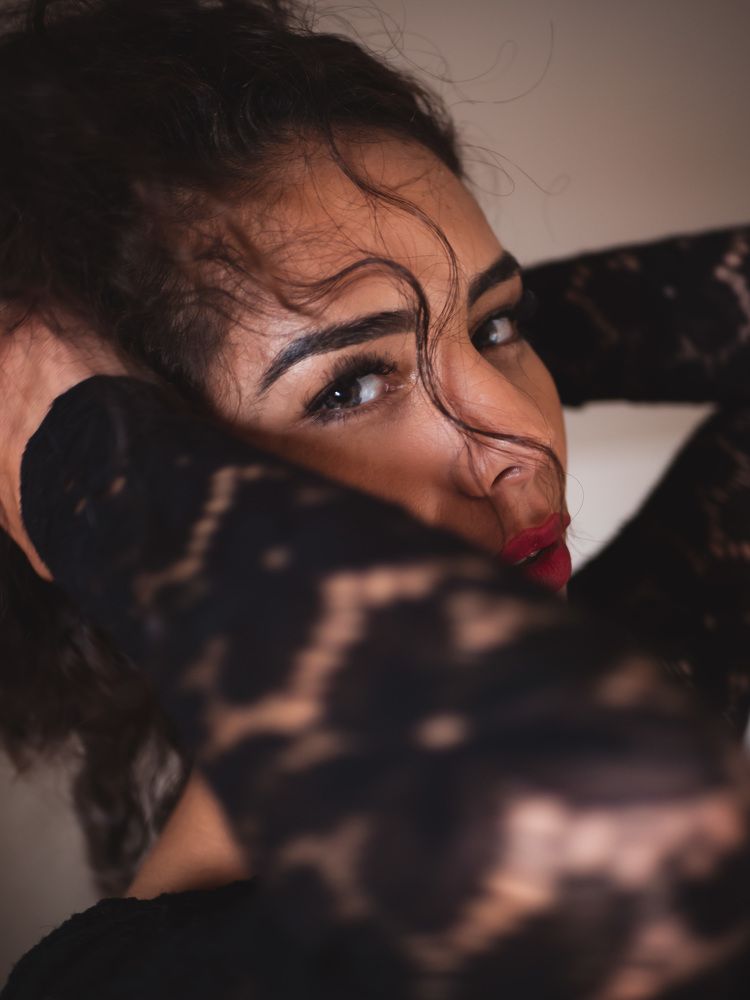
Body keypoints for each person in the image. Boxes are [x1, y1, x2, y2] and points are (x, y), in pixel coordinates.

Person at [0, 0, 748, 994]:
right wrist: (71, 445)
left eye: (501, 328)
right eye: (347, 389)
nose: (519, 441)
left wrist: (430, 331)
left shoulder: (622, 683)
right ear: (151, 488)